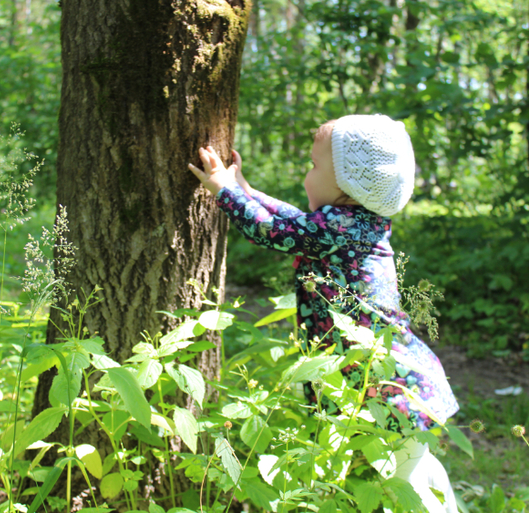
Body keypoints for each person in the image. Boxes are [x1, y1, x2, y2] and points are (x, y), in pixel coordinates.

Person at [188, 114, 460, 513]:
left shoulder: (343, 227)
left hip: (389, 382)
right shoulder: (353, 223)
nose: (307, 175)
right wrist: (246, 189)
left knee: (404, 481)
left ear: (349, 185)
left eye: (314, 166)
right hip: (384, 377)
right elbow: (296, 222)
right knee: (402, 468)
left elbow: (273, 231)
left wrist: (226, 191)